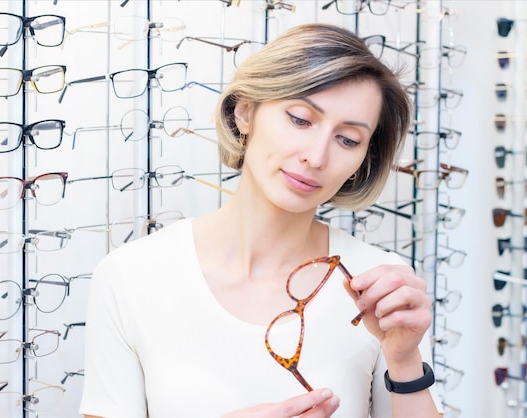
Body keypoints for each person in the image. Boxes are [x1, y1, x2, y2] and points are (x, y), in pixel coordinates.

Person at [80, 23, 444, 418]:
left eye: (348, 140)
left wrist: (405, 359)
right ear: (246, 111)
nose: (317, 156)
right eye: (300, 119)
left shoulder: (378, 283)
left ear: (362, 160)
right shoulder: (131, 276)